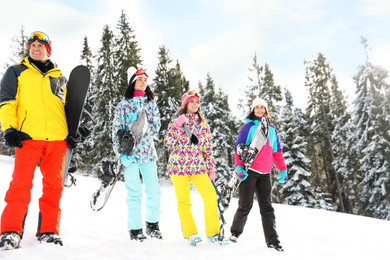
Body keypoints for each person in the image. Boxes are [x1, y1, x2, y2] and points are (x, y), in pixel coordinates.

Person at [0, 31, 74, 249]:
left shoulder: (60, 77)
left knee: (54, 188)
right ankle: (10, 231)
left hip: (58, 140)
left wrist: (74, 132)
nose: (35, 47)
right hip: (28, 138)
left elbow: (69, 108)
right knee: (20, 186)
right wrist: (9, 129)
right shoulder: (16, 72)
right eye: (32, 45)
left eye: (41, 45)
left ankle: (49, 231)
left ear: (48, 50)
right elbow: (7, 101)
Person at [164, 90, 225, 246]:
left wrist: (211, 169)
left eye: (197, 102)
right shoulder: (176, 121)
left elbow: (207, 149)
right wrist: (178, 125)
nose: (195, 104)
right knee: (184, 202)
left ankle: (213, 233)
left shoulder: (202, 124)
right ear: (185, 104)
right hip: (178, 167)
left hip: (198, 167)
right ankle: (190, 233)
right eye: (191, 102)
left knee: (210, 196)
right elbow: (168, 143)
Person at [229, 97, 288, 251]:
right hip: (249, 172)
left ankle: (273, 241)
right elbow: (238, 148)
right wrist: (239, 169)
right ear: (253, 110)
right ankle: (235, 233)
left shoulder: (272, 130)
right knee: (245, 205)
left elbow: (277, 152)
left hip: (265, 174)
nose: (260, 110)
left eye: (262, 107)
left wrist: (282, 169)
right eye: (257, 108)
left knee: (267, 208)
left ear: (266, 110)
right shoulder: (248, 127)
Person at [112, 67, 162, 242]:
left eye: (145, 80)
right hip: (130, 155)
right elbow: (116, 130)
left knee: (154, 191)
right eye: (139, 79)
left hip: (148, 153)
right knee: (134, 193)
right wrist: (121, 154)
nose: (143, 82)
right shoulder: (123, 105)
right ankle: (135, 229)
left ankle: (153, 225)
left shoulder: (150, 104)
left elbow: (156, 127)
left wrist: (143, 127)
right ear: (132, 82)